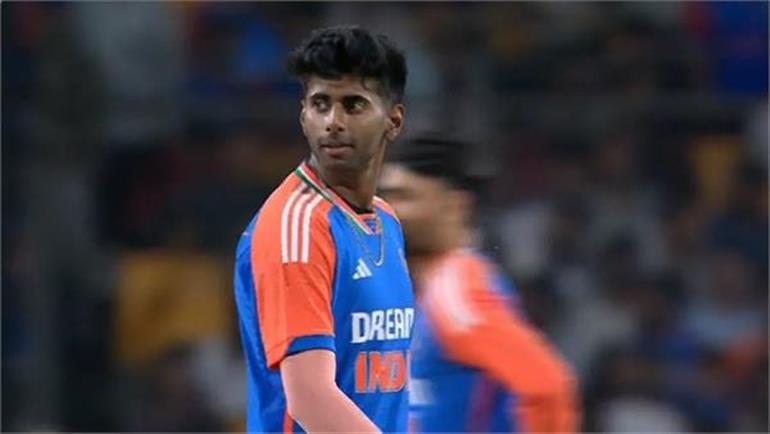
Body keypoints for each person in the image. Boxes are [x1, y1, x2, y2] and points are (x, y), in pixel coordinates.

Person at [234, 26, 414, 433]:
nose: (333, 122)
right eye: (320, 104)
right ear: (303, 117)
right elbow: (310, 398)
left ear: (394, 120)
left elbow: (388, 381)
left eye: (353, 105)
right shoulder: (297, 227)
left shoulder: (386, 222)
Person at [379, 134, 580, 432]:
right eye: (384, 195)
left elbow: (546, 387)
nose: (386, 209)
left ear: (455, 205)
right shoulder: (424, 289)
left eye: (405, 197)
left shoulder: (456, 291)